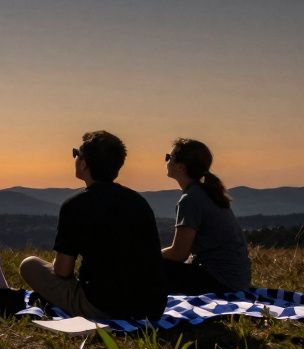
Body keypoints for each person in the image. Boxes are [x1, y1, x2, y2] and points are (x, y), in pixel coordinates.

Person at [19, 131, 167, 322]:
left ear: (83, 163)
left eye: (76, 153)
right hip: (151, 306)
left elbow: (63, 271)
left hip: (105, 307)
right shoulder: (139, 202)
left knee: (29, 264)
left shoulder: (76, 205)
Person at [160, 138, 252, 293]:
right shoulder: (207, 192)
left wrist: (148, 255)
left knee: (149, 267)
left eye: (169, 157)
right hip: (236, 281)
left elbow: (179, 253)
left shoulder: (190, 199)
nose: (166, 161)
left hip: (220, 282)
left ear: (181, 167)